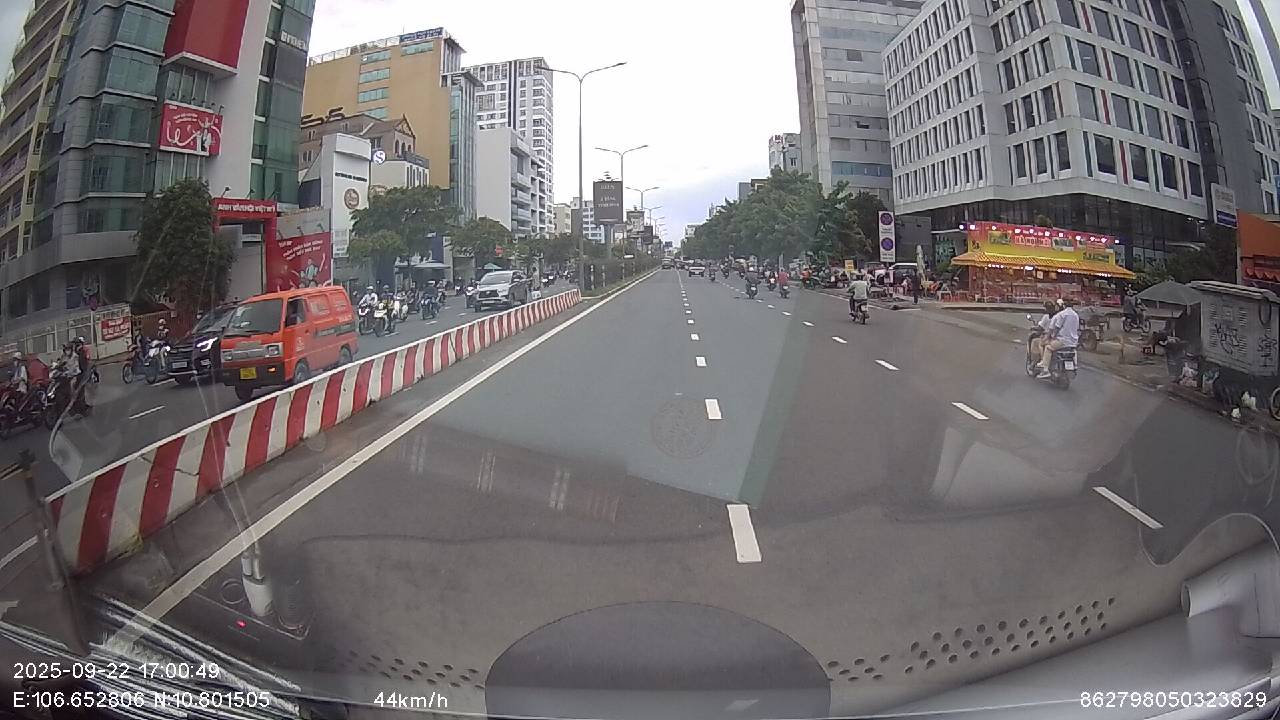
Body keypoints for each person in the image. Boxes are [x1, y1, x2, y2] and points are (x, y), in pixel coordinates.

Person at [1038, 298, 1081, 378]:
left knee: (1048, 347)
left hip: (1062, 341)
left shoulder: (1062, 315)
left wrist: (1052, 337)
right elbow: (1077, 329)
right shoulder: (1076, 315)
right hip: (1073, 342)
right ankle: (1075, 366)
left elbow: (1056, 328)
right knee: (1073, 351)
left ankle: (1045, 369)